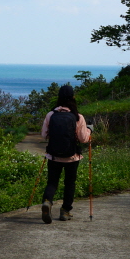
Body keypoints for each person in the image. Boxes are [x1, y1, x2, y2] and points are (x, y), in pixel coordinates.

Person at [40, 84, 91, 224]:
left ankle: (47, 202)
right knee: (69, 183)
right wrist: (89, 130)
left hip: (53, 156)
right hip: (72, 157)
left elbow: (44, 135)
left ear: (59, 98)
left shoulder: (51, 115)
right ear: (73, 98)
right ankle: (65, 211)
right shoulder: (78, 117)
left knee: (52, 182)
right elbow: (83, 139)